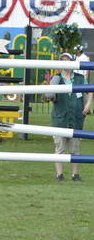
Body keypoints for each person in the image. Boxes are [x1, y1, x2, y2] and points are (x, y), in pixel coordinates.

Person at [44, 53, 92, 182]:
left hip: (76, 118)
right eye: (63, 60)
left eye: (68, 60)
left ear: (72, 62)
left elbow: (90, 91)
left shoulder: (80, 78)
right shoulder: (56, 79)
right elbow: (48, 96)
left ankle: (75, 175)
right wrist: (50, 96)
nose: (65, 63)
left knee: (75, 148)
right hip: (60, 118)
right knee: (60, 148)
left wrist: (88, 104)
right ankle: (59, 175)